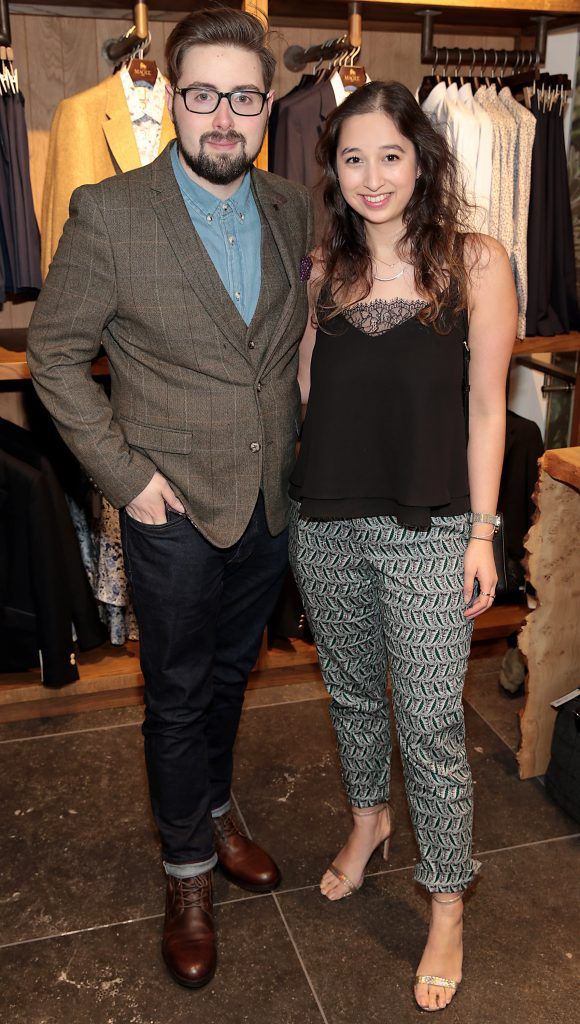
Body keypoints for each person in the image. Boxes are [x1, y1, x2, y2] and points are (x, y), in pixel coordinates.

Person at [27, 8, 312, 990]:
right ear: (170, 100)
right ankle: (186, 868)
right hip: (170, 509)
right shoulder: (112, 213)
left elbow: (279, 354)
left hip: (268, 500)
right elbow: (52, 360)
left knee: (234, 678)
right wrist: (124, 476)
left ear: (267, 105)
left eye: (242, 97)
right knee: (178, 690)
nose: (222, 117)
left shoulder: (291, 206)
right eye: (202, 96)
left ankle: (217, 805)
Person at [289, 81, 516, 1012]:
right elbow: (311, 394)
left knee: (430, 724)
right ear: (333, 172)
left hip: (431, 532)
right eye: (353, 158)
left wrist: (483, 531)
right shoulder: (323, 272)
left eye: (390, 155)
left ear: (421, 160)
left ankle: (448, 897)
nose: (373, 176)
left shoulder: (478, 263)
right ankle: (369, 820)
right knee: (349, 694)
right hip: (327, 525)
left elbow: (489, 407)